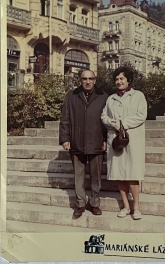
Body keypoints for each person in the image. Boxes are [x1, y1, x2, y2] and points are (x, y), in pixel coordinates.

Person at [59, 69, 108, 217]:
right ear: (80, 80)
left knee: (96, 176)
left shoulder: (103, 96)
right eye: (84, 79)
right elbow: (65, 119)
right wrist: (65, 138)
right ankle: (80, 204)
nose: (87, 81)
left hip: (96, 140)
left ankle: (94, 203)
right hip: (77, 141)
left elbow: (107, 121)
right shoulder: (72, 96)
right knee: (78, 175)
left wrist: (105, 139)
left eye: (90, 78)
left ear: (95, 80)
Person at [101, 66, 147, 220]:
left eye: (122, 78)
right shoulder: (111, 99)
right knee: (119, 173)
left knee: (133, 173)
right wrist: (112, 123)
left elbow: (141, 115)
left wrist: (122, 123)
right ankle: (126, 207)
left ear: (129, 80)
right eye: (116, 79)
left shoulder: (138, 96)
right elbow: (103, 117)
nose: (119, 81)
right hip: (116, 140)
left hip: (132, 139)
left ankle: (136, 208)